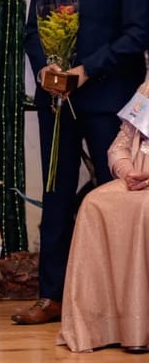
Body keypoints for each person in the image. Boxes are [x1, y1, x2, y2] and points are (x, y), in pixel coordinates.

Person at [16, 0, 149, 325]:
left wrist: (86, 70)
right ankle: (51, 296)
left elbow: (138, 33)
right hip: (57, 100)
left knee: (115, 190)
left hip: (107, 96)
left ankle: (116, 297)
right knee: (55, 191)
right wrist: (47, 69)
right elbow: (32, 27)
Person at [56, 69, 149, 354]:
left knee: (144, 210)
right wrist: (128, 172)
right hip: (137, 181)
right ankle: (102, 325)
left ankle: (140, 326)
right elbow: (118, 146)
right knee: (94, 203)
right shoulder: (147, 89)